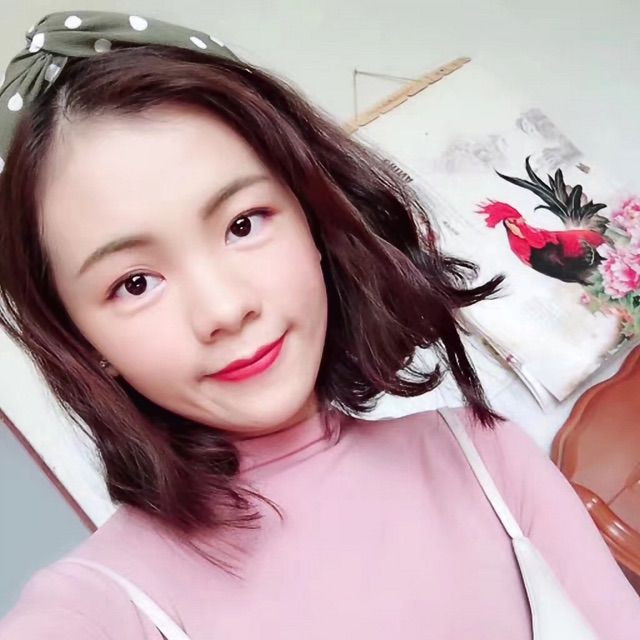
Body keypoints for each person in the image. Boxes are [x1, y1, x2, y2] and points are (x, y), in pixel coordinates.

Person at [0, 10, 638, 640]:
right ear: (80, 339)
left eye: (243, 224)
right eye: (135, 283)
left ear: (312, 218)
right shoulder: (101, 604)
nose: (224, 310)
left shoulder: (485, 456)